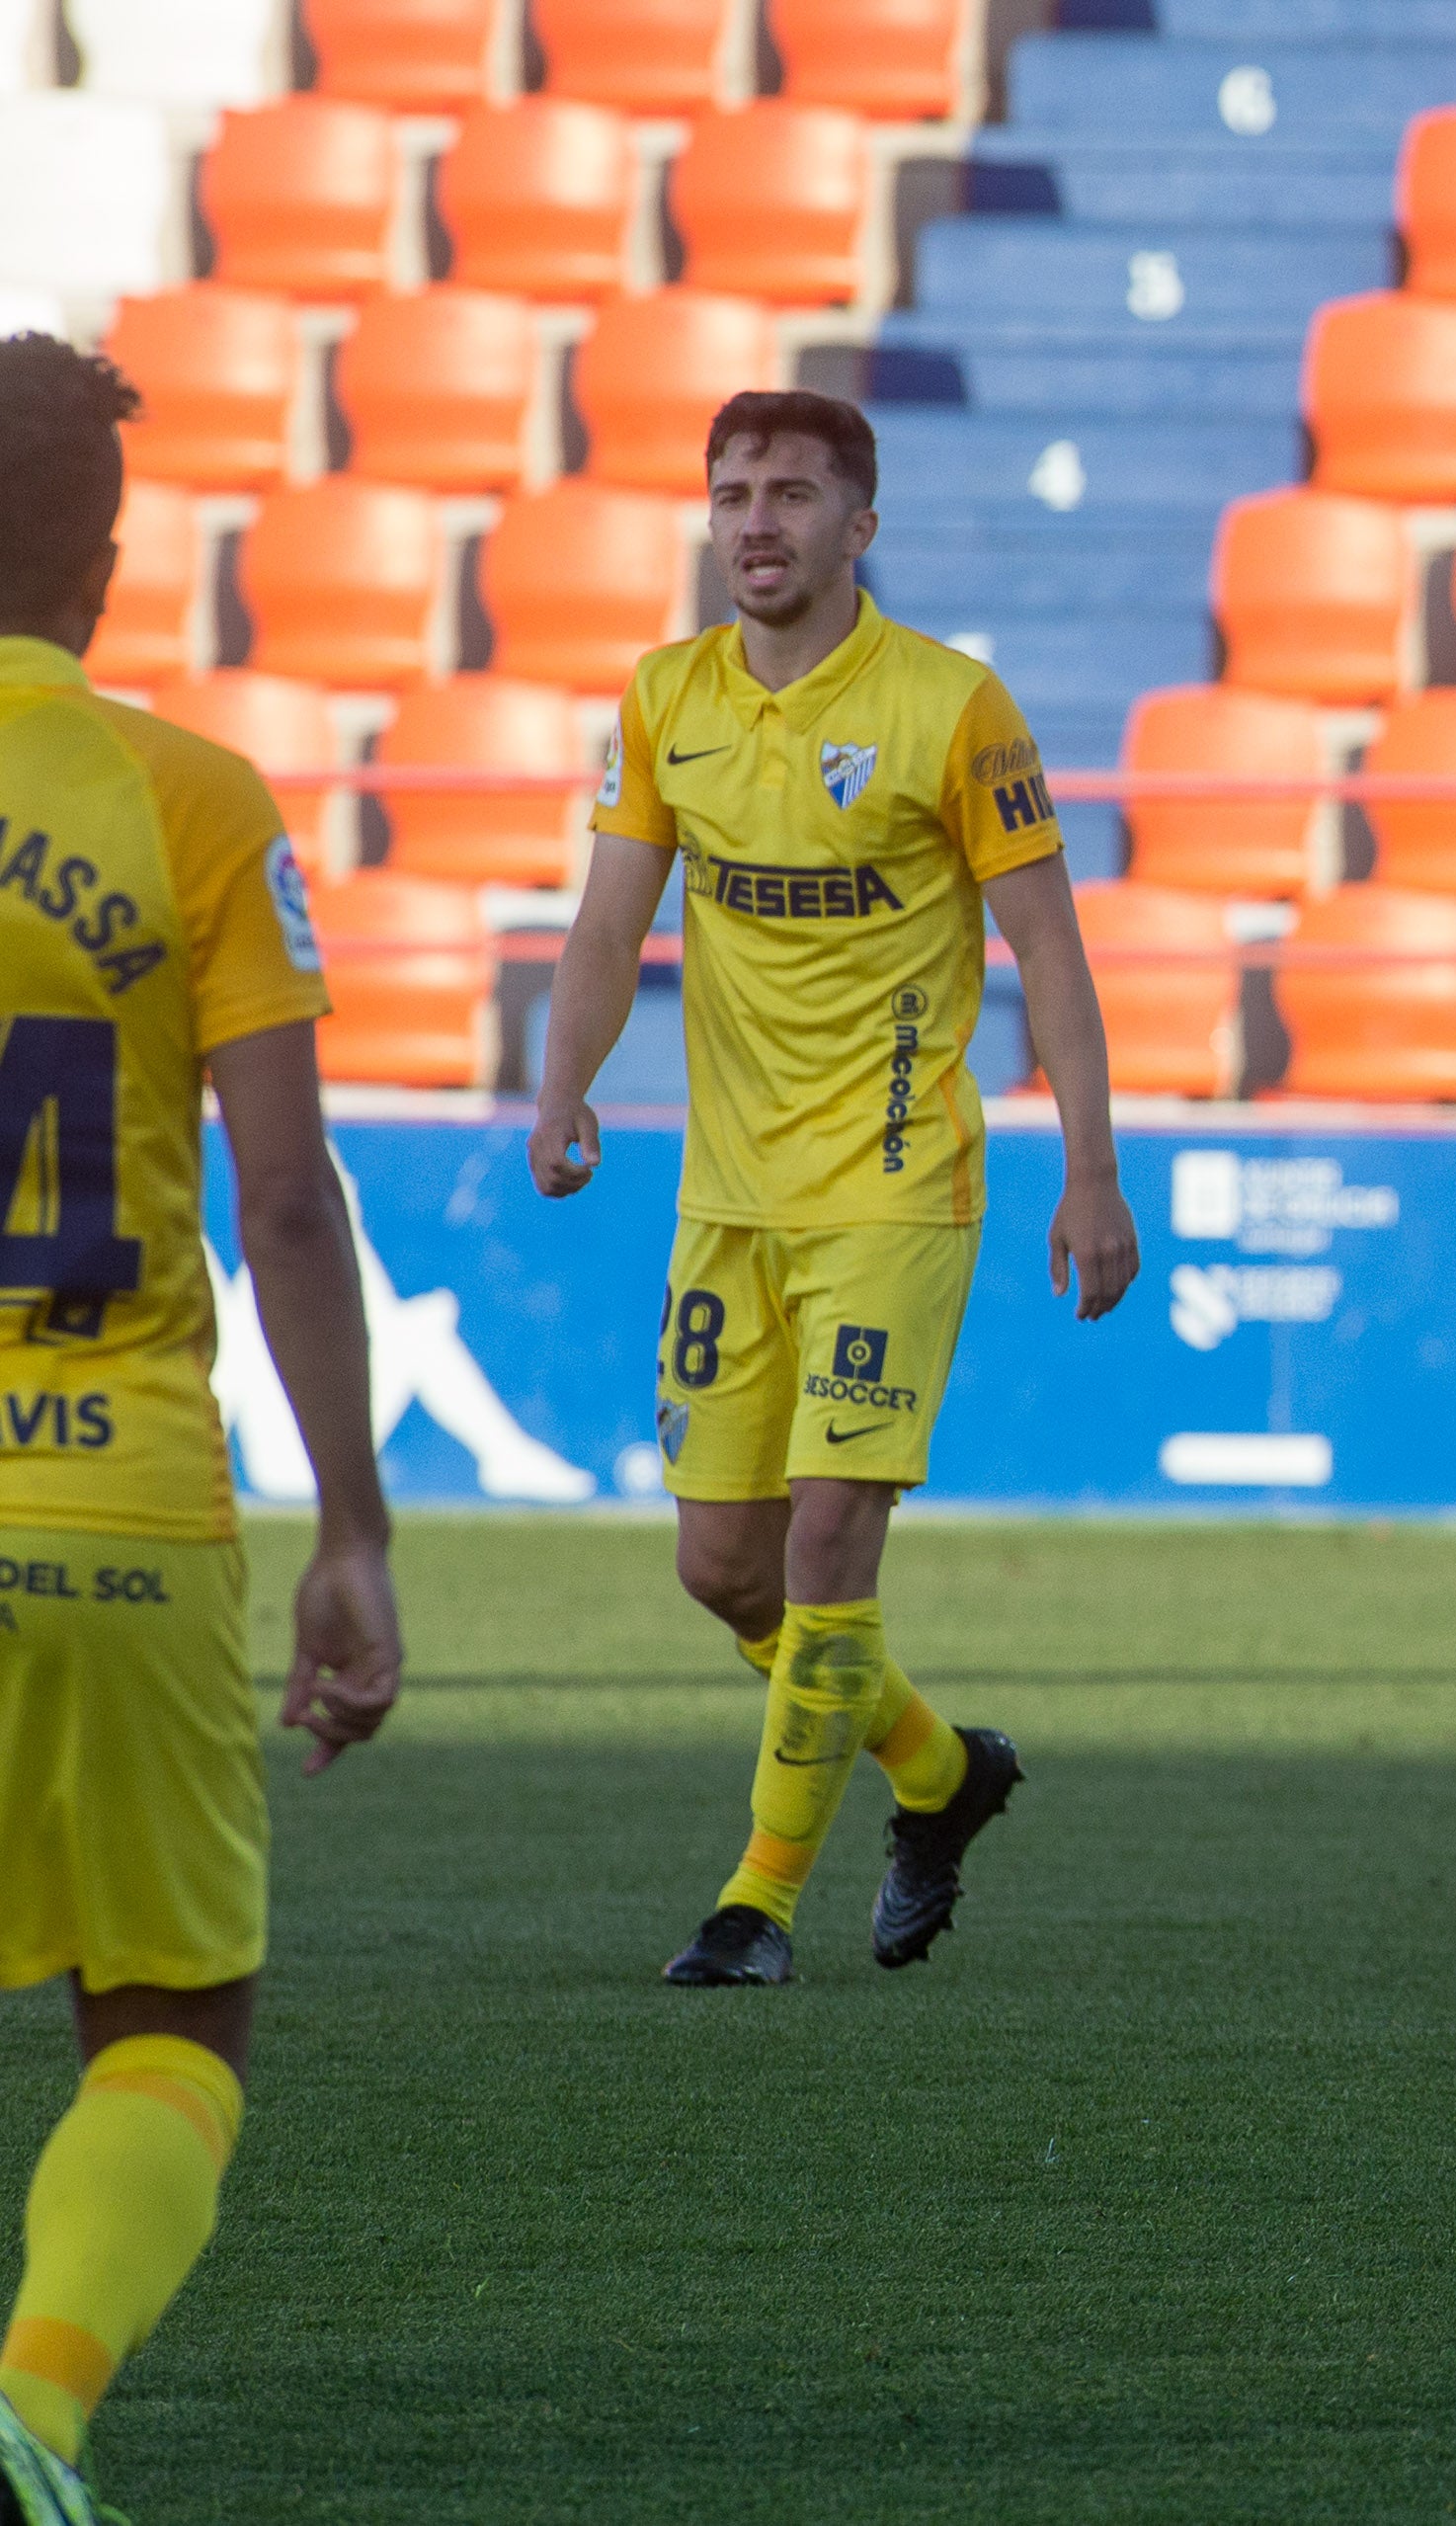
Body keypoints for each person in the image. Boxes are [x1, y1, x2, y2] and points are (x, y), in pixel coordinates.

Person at [530, 390, 1138, 1988]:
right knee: (720, 1567)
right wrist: (563, 1080)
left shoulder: (952, 707)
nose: (755, 520)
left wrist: (1092, 1166)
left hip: (896, 1185)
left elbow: (1049, 948)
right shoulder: (667, 696)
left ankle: (757, 1901)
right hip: (726, 1196)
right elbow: (607, 926)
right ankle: (942, 1774)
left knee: (825, 1546)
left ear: (860, 524)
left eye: (792, 493)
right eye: (732, 490)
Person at [0, 334, 404, 2525]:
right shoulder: (190, 799)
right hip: (120, 1510)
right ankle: (34, 2407)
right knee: (167, 2022)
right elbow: (282, 1194)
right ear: (113, 558)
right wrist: (355, 1526)